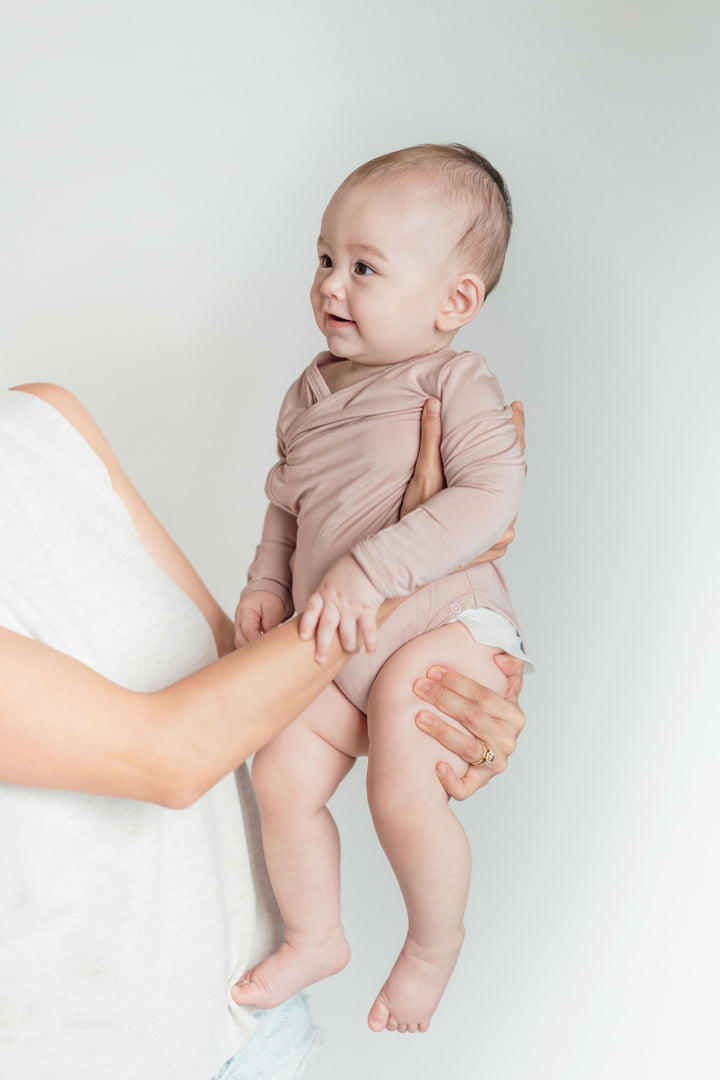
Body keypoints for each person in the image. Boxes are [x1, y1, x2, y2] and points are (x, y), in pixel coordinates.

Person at [0, 379, 526, 1080]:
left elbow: (234, 673)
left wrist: (428, 719)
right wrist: (401, 561)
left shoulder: (42, 424)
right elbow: (169, 756)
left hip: (249, 1030)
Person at [232, 144, 530, 1035]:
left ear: (455, 302)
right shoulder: (307, 392)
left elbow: (491, 496)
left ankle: (433, 945)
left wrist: (371, 569)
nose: (332, 285)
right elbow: (287, 501)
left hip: (441, 624)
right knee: (279, 772)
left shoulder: (451, 378)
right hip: (339, 638)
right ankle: (315, 935)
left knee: (399, 790)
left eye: (365, 267)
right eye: (326, 258)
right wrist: (266, 578)